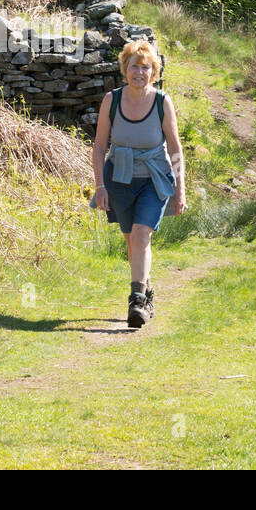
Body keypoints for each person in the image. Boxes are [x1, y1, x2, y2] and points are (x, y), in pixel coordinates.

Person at [91, 39, 186, 328]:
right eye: (134, 66)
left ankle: (136, 301)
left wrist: (180, 189)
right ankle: (146, 289)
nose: (139, 72)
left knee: (142, 235)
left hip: (154, 180)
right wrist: (100, 187)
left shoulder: (161, 102)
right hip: (118, 179)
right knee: (131, 241)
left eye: (146, 68)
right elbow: (98, 146)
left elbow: (175, 149)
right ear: (125, 69)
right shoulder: (112, 100)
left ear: (153, 72)